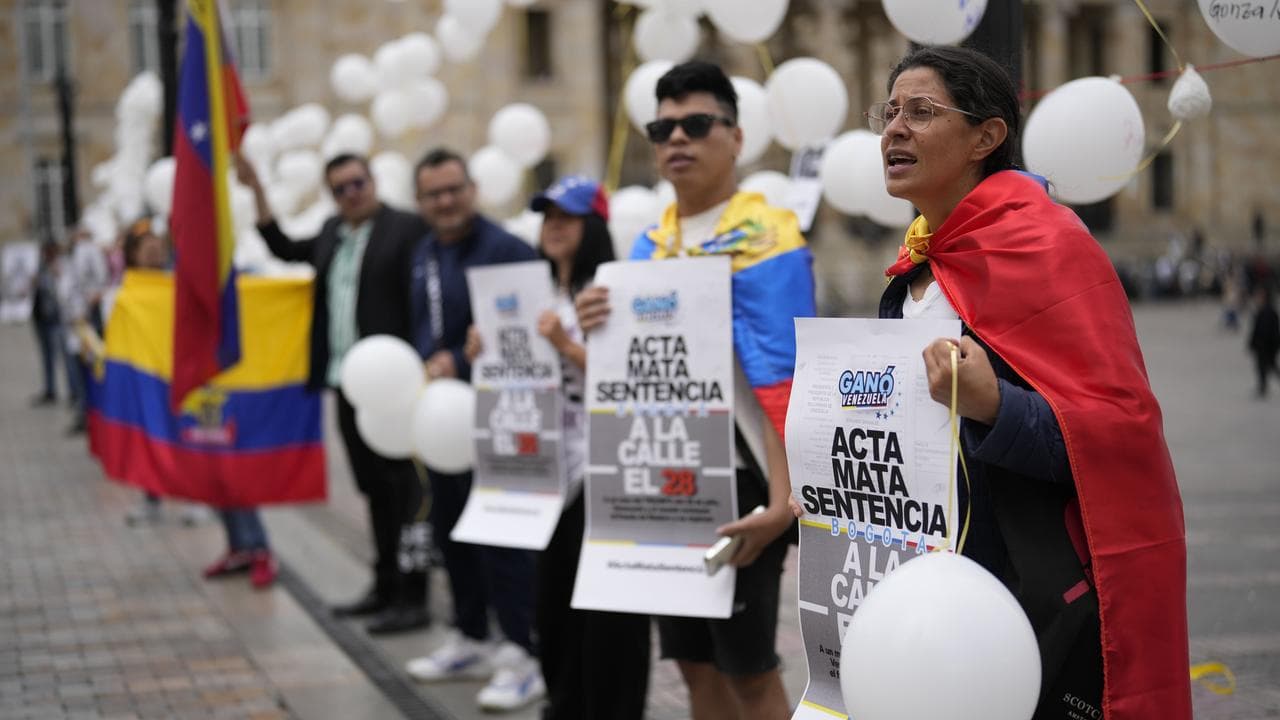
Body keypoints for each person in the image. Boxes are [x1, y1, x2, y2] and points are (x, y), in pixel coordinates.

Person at [845, 45, 1189, 719]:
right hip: (923, 603)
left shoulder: (1049, 244)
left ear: (987, 136)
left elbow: (1120, 434)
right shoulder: (914, 270)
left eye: (921, 111)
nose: (893, 129)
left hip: (1021, 599)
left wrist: (995, 406)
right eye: (888, 113)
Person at [574, 61, 816, 720]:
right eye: (662, 127)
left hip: (742, 484)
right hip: (664, 478)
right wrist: (582, 329)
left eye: (697, 124)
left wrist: (782, 505)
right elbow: (632, 381)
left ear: (735, 137)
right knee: (693, 669)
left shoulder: (771, 237)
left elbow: (785, 376)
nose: (676, 138)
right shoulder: (652, 248)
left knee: (749, 672)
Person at [464, 176, 652, 720]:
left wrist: (566, 345)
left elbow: (635, 384)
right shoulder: (533, 296)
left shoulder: (613, 295)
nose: (553, 227)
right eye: (547, 217)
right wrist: (485, 349)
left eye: (566, 217)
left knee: (610, 620)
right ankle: (564, 704)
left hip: (608, 475)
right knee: (554, 611)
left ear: (593, 226)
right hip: (549, 478)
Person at [239, 152, 432, 634]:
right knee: (373, 491)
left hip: (395, 384)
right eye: (341, 188)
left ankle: (414, 595)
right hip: (346, 382)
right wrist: (258, 190)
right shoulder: (330, 232)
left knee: (407, 493)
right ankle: (384, 584)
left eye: (358, 183)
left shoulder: (407, 229)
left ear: (373, 180)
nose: (352, 193)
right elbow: (282, 246)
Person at [401, 148, 543, 712]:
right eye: (434, 194)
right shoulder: (424, 252)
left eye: (454, 189)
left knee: (502, 538)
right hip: (443, 419)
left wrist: (457, 365)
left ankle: (523, 652)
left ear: (473, 188)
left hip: (500, 417)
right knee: (452, 529)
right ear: (421, 201)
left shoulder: (504, 249)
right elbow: (425, 328)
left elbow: (521, 332)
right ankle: (472, 636)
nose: (445, 201)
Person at [30, 242, 64, 407]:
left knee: (59, 357)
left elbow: (55, 290)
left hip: (53, 319)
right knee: (46, 357)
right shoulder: (41, 266)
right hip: (40, 317)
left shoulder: (58, 267)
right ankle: (50, 389)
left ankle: (71, 393)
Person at [1248, 287, 1280, 398]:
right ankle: (1262, 387)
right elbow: (1255, 329)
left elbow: (1268, 331)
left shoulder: (1269, 311)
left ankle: (1262, 387)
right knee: (1263, 368)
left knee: (1270, 366)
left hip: (1266, 346)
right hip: (1262, 345)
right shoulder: (1261, 310)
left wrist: (1273, 345)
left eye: (1259, 296)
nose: (1257, 298)